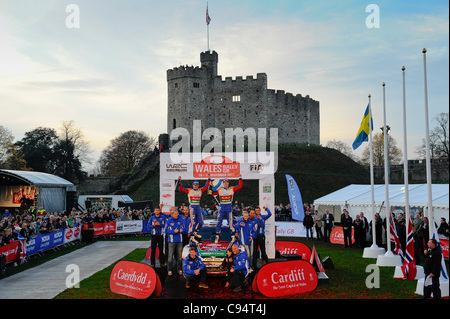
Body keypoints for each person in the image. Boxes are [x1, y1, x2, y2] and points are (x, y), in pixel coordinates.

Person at [212, 176, 243, 243]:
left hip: (228, 206)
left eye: (227, 182)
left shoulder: (231, 188)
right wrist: (210, 186)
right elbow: (213, 193)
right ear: (223, 183)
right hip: (222, 206)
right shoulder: (220, 189)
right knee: (219, 221)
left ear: (228, 183)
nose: (226, 184)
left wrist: (240, 178)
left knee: (230, 222)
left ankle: (233, 236)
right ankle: (217, 236)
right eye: (224, 182)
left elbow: (240, 186)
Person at [165, 207, 185, 276]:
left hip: (180, 241)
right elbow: (166, 230)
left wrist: (182, 230)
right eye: (175, 214)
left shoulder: (181, 220)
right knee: (170, 257)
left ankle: (179, 269)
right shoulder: (169, 221)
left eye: (177, 214)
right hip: (171, 241)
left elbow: (184, 228)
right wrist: (174, 231)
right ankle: (169, 269)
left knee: (179, 256)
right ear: (172, 214)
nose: (176, 215)